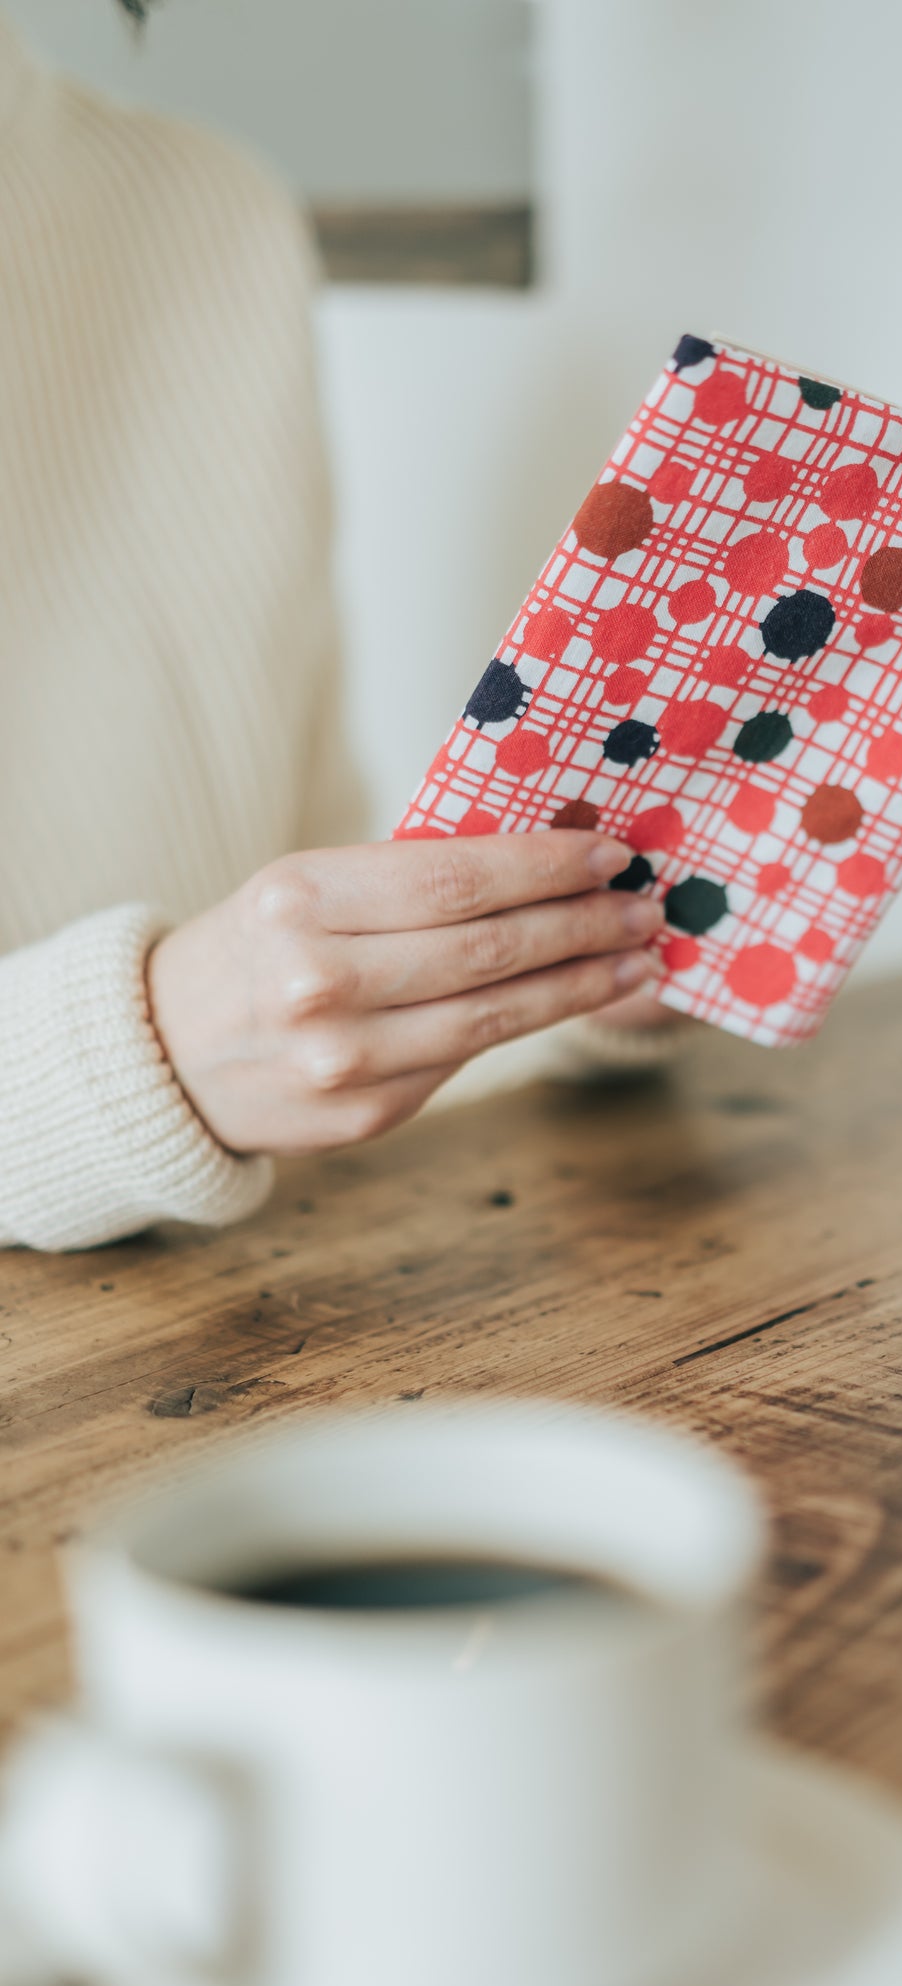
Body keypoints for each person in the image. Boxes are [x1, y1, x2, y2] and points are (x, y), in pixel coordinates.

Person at [0, 12, 678, 1253]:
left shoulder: (212, 215)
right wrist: (125, 1058)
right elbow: (206, 1039)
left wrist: (563, 975)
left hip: (247, 1322)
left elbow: (295, 934)